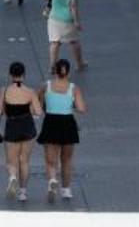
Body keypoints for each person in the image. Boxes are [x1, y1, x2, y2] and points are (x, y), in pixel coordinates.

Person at [37, 59, 86, 203]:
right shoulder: (73, 88)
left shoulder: (46, 86)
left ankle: (52, 180)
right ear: (68, 72)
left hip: (51, 122)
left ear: (55, 71)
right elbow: (82, 108)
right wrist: (71, 104)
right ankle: (66, 190)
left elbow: (36, 99)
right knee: (67, 160)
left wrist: (43, 102)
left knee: (50, 160)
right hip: (68, 123)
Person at [0, 62, 42, 201]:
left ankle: (12, 177)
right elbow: (38, 112)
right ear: (24, 74)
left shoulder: (3, 91)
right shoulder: (30, 91)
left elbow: (0, 111)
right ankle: (23, 192)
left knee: (11, 161)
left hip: (12, 126)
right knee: (25, 161)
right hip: (28, 127)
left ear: (10, 74)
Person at [43, 0, 85, 71]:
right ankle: (79, 64)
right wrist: (76, 21)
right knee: (74, 42)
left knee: (54, 43)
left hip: (53, 18)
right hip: (67, 20)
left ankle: (52, 65)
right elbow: (73, 6)